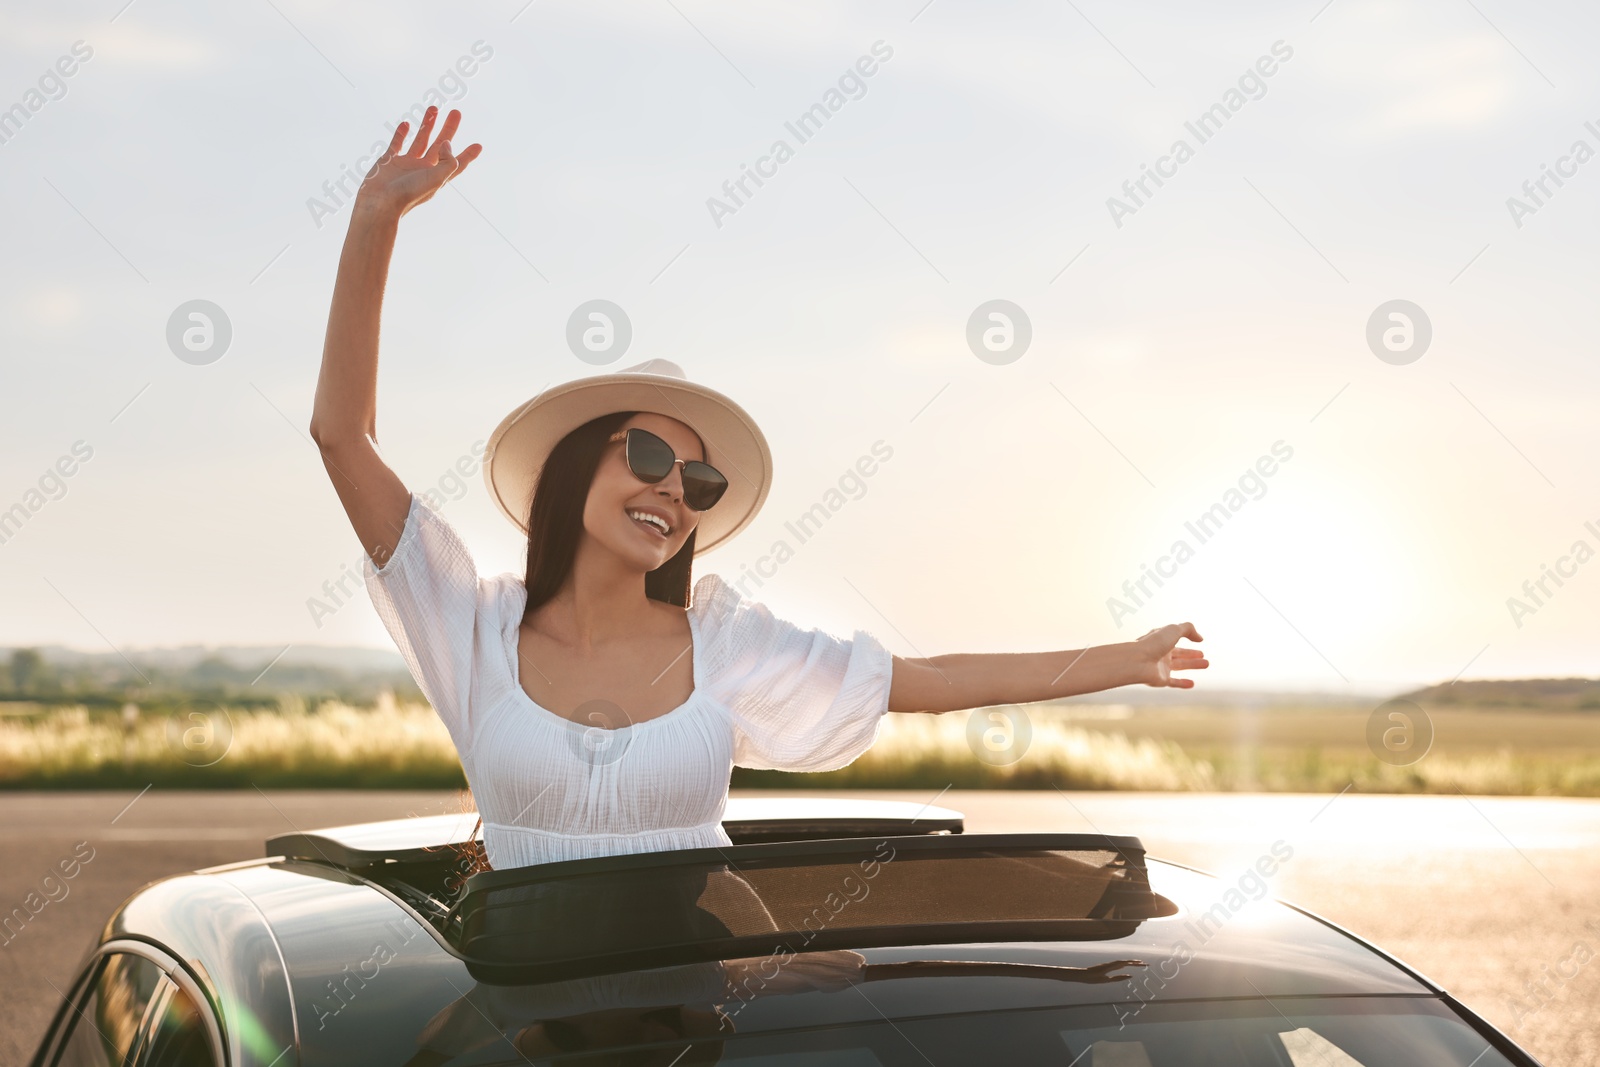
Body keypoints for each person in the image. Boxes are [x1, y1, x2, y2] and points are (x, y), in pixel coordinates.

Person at [309, 106, 1208, 874]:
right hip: (524, 1021)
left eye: (700, 480)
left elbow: (924, 679)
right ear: (578, 462)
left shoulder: (726, 643)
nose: (676, 493)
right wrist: (374, 219)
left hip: (695, 1016)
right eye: (650, 458)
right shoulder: (471, 628)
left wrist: (1123, 659)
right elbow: (342, 436)